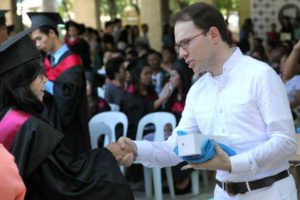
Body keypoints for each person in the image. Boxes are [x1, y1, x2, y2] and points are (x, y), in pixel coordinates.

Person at [117, 2, 297, 199]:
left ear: (213, 34)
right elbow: (177, 147)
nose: (181, 53)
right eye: (178, 46)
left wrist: (231, 164)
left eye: (186, 43)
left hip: (269, 192)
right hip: (222, 193)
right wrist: (136, 149)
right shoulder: (198, 91)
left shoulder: (260, 75)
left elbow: (285, 141)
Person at [0, 28, 134, 200]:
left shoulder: (6, 117)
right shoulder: (32, 129)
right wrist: (107, 154)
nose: (46, 80)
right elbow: (70, 181)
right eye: (39, 75)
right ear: (22, 80)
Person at [28, 12, 90, 156]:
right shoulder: (49, 60)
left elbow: (68, 96)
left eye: (39, 38)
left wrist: (44, 83)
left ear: (51, 33)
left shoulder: (72, 61)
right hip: (52, 128)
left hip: (71, 133)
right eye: (34, 41)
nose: (37, 45)